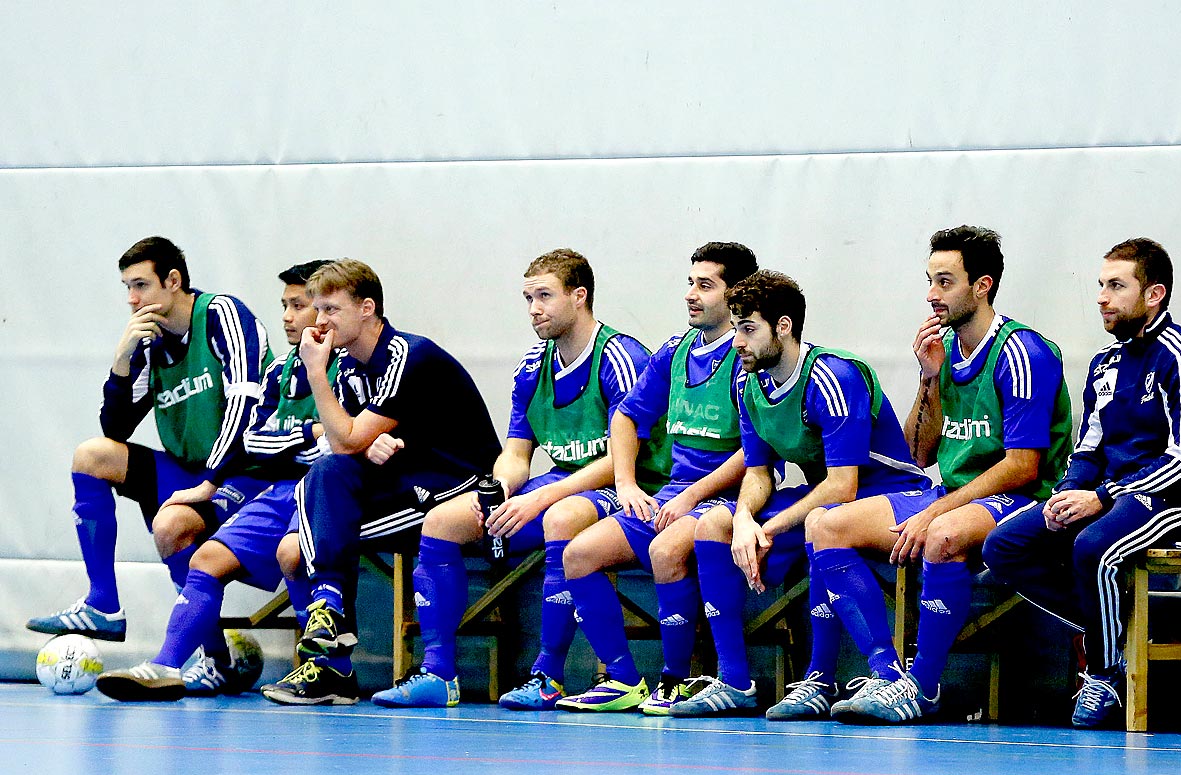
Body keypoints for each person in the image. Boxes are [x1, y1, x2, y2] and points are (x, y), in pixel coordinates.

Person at [803, 226, 1073, 724]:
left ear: (982, 285)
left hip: (1028, 499)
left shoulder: (1023, 352)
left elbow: (1023, 467)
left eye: (945, 282)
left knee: (943, 536)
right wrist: (927, 380)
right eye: (930, 280)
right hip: (951, 491)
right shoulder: (945, 352)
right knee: (824, 524)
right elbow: (916, 451)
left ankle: (923, 689)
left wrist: (934, 511)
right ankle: (886, 675)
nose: (932, 295)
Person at [369, 248, 655, 708]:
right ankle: (439, 674)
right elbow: (518, 453)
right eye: (527, 298)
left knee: (560, 516)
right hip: (559, 482)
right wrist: (499, 489)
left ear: (579, 296)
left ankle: (549, 675)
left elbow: (627, 460)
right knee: (443, 521)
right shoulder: (532, 366)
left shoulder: (619, 356)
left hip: (620, 484)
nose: (533, 310)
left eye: (544, 296)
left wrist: (537, 501)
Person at [667, 270, 933, 719]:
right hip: (824, 498)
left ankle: (870, 676)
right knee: (715, 523)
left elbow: (843, 485)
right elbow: (757, 473)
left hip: (894, 494)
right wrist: (746, 520)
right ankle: (734, 680)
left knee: (820, 522)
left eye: (748, 329)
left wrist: (767, 526)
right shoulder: (747, 381)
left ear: (784, 326)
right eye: (735, 329)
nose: (737, 343)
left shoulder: (833, 376)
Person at [982, 238, 1181, 728]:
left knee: (1093, 549)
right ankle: (1111, 631)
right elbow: (1088, 448)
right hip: (1106, 495)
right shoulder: (1104, 364)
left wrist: (1101, 497)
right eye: (1100, 286)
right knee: (1003, 546)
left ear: (1154, 294)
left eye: (1117, 286)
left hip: (1173, 498)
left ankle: (1108, 672)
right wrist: (1065, 494)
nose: (1102, 298)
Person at [96, 260, 347, 700]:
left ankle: (325, 671)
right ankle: (167, 666)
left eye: (299, 305)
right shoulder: (280, 372)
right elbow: (255, 439)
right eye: (284, 305)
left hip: (326, 488)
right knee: (203, 557)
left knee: (293, 550)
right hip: (275, 487)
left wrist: (291, 442)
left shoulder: (351, 368)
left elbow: (339, 445)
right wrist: (307, 433)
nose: (287, 317)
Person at [260, 259, 500, 706]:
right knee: (306, 512)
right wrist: (363, 443)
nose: (319, 321)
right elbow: (342, 444)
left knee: (307, 539)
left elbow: (346, 436)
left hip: (456, 480)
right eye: (317, 310)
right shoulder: (351, 368)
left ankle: (353, 654)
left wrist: (316, 374)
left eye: (330, 309)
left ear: (367, 308)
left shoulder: (407, 354)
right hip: (403, 478)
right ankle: (329, 642)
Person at [29, 237, 272, 642]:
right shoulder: (151, 339)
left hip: (243, 471)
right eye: (127, 287)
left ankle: (213, 658)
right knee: (92, 455)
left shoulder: (220, 314)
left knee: (171, 526)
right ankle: (103, 603)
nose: (131, 298)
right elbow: (116, 430)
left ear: (173, 280)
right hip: (191, 471)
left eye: (140, 285)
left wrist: (210, 480)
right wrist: (121, 363)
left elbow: (245, 404)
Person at [554, 242, 757, 714]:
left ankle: (676, 679)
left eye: (705, 285)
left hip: (727, 501)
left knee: (665, 551)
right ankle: (623, 681)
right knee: (579, 553)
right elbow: (625, 417)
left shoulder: (747, 355)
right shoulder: (676, 350)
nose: (691, 294)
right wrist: (626, 484)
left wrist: (691, 497)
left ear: (736, 295)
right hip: (672, 496)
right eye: (690, 282)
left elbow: (756, 450)